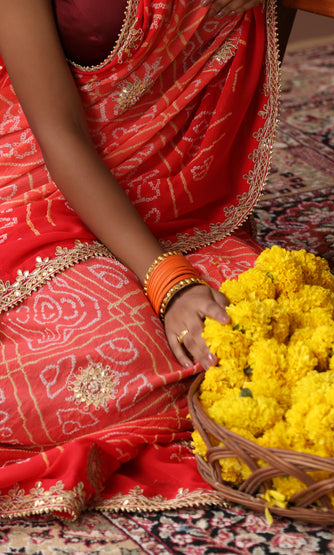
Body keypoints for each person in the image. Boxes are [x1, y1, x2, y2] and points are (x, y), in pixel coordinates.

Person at [0, 0, 279, 519]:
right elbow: (59, 132)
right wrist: (169, 282)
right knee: (113, 352)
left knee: (257, 327)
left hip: (181, 211)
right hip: (34, 185)